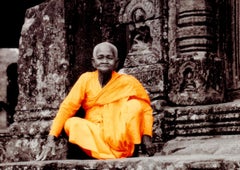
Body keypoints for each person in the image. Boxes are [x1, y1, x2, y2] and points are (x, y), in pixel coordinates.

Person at [36, 41, 156, 160]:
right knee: (71, 124)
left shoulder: (128, 81)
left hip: (119, 134)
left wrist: (147, 138)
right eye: (100, 57)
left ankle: (118, 152)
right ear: (94, 62)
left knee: (135, 105)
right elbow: (67, 107)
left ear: (116, 63)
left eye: (109, 58)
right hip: (95, 134)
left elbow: (145, 109)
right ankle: (111, 155)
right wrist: (51, 137)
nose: (104, 61)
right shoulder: (86, 79)